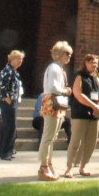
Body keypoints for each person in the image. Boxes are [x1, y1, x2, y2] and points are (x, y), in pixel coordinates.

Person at [65, 53, 99, 178]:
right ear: (85, 63)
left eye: (96, 63)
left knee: (91, 142)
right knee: (76, 141)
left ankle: (83, 166)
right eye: (92, 62)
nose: (94, 65)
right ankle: (69, 167)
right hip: (80, 113)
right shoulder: (79, 76)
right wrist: (94, 106)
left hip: (94, 115)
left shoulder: (97, 79)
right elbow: (78, 93)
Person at [36, 40, 72, 181]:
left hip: (58, 103)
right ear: (58, 54)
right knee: (48, 137)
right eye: (66, 53)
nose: (69, 56)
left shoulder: (60, 69)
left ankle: (48, 164)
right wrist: (66, 90)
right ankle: (43, 166)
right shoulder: (54, 68)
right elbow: (52, 87)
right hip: (52, 102)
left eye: (70, 54)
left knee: (53, 137)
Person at [0, 50, 25, 161]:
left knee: (7, 126)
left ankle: (2, 151)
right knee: (10, 126)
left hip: (13, 101)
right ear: (11, 59)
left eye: (21, 60)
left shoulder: (14, 72)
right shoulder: (7, 70)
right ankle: (6, 152)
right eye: (18, 59)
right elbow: (3, 86)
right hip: (8, 102)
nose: (20, 62)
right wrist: (8, 99)